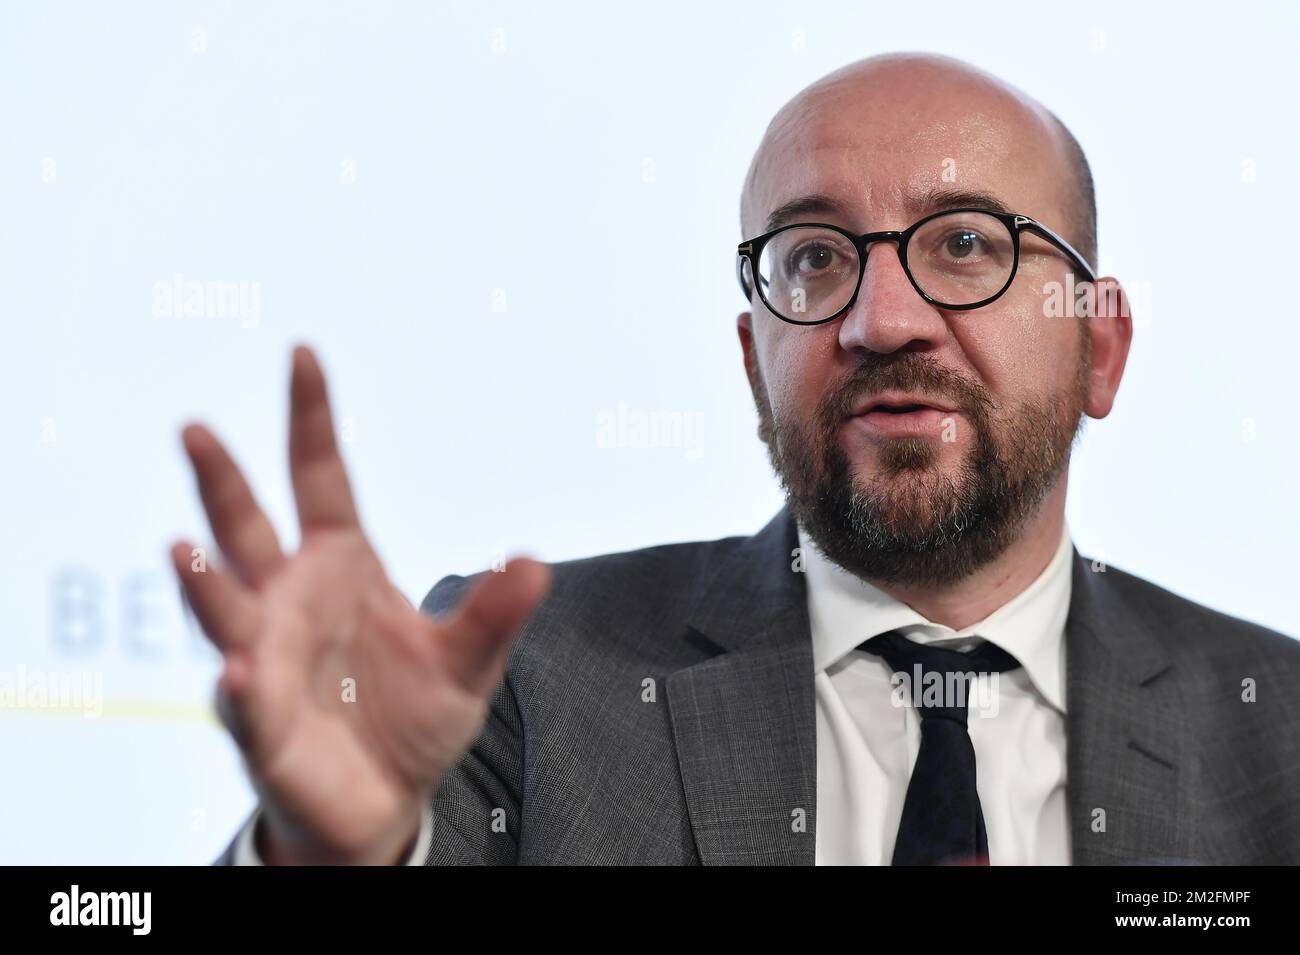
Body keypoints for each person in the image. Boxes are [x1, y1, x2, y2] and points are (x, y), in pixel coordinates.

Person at [175, 53, 1300, 866]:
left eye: (964, 244)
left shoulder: (1277, 729)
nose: (881, 318)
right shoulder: (533, 680)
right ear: (755, 355)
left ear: (1098, 347)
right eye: (812, 257)